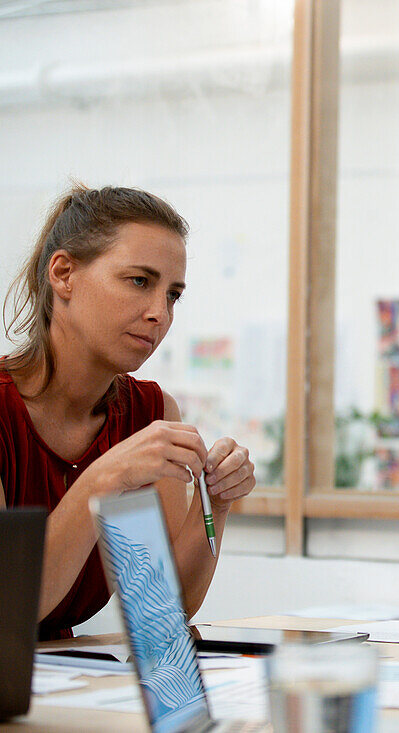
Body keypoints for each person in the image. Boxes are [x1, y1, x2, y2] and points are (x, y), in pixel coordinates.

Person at [1, 184, 257, 640]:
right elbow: (8, 608)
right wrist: (103, 479)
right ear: (63, 274)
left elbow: (162, 605)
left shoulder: (150, 413)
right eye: (139, 281)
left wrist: (213, 503)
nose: (159, 312)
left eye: (173, 294)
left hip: (54, 683)